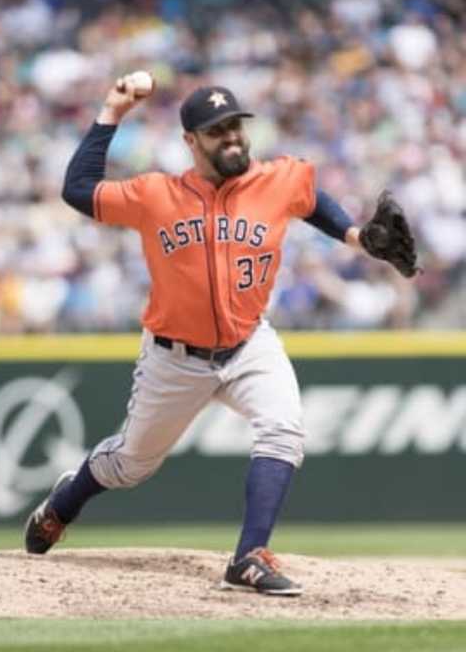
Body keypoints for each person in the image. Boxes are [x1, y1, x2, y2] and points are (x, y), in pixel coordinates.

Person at [24, 73, 415, 596]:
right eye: (216, 131)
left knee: (283, 428)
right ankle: (64, 504)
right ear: (191, 141)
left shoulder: (278, 179)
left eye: (235, 126)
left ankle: (249, 557)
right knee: (130, 464)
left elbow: (311, 199)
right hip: (174, 358)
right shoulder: (155, 194)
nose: (231, 137)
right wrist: (111, 112)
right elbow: (77, 190)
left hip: (250, 343)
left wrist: (354, 236)